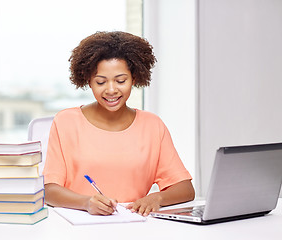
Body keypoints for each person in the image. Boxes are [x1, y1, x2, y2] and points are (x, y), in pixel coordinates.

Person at [42, 31, 195, 217]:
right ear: (88, 81)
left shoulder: (152, 125)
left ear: (134, 79)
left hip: (134, 227)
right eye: (101, 82)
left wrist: (157, 198)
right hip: (79, 226)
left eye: (121, 80)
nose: (111, 90)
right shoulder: (66, 122)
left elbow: (186, 189)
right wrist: (86, 203)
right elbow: (49, 190)